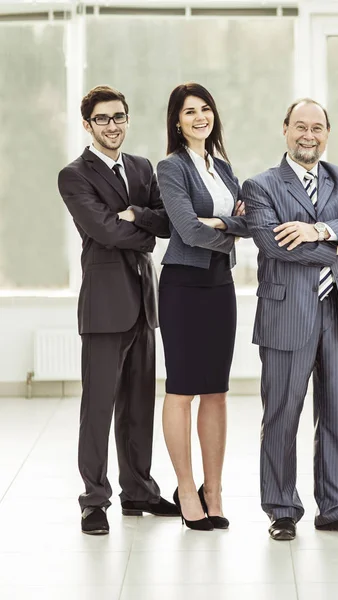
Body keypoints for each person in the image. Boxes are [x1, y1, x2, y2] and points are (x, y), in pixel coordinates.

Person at [242, 98, 338, 541]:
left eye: (317, 127)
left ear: (327, 133)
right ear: (284, 129)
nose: (309, 135)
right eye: (300, 126)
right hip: (288, 313)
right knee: (282, 413)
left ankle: (337, 507)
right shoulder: (261, 186)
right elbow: (273, 244)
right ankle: (282, 509)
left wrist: (319, 229)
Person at [57, 85, 179, 535]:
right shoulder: (74, 175)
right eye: (104, 119)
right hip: (105, 304)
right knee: (98, 406)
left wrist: (139, 217)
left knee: (139, 405)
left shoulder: (143, 167)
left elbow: (168, 221)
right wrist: (140, 225)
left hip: (144, 304)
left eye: (120, 117)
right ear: (87, 124)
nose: (114, 126)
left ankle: (139, 491)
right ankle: (94, 500)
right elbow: (104, 231)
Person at [156, 83, 249, 531]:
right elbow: (189, 232)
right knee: (182, 388)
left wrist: (225, 224)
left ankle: (214, 490)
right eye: (189, 111)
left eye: (205, 108)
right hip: (183, 285)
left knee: (216, 389)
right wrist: (227, 231)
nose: (199, 117)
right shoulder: (170, 167)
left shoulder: (225, 168)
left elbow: (251, 222)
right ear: (177, 121)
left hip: (220, 285)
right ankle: (187, 487)